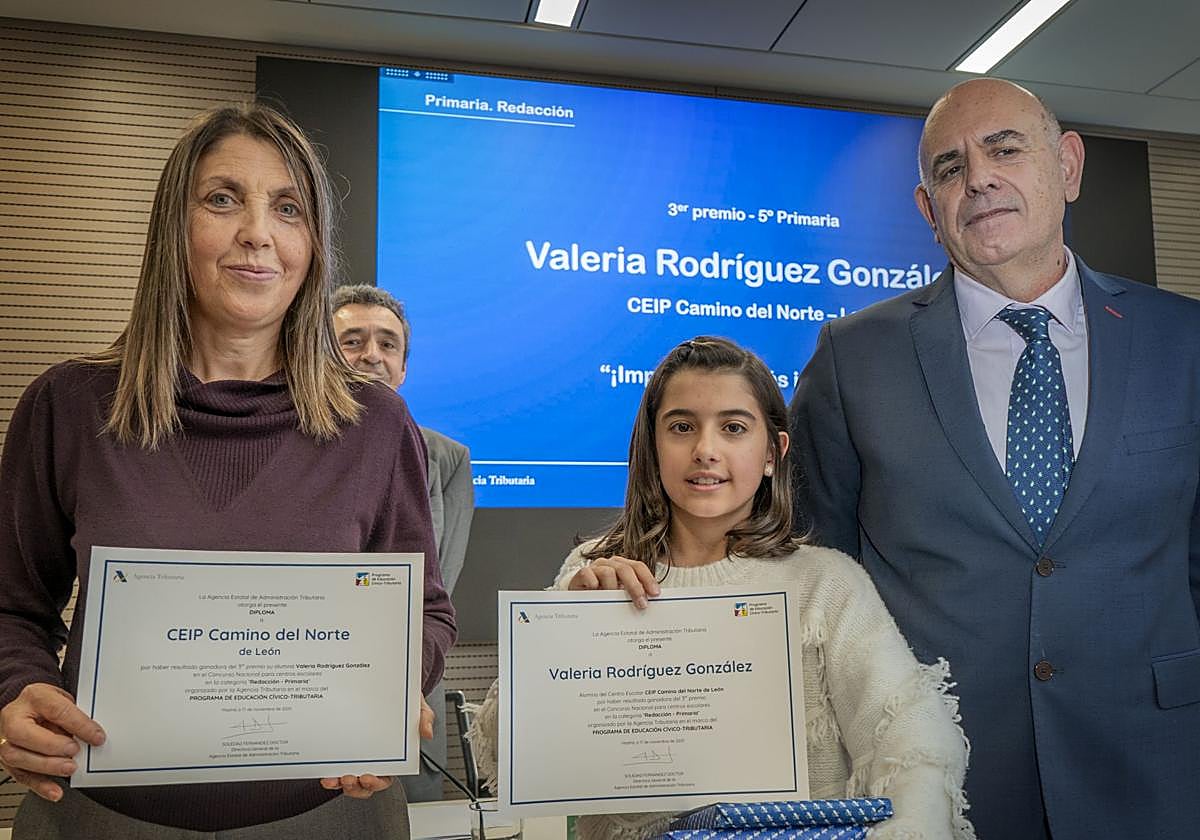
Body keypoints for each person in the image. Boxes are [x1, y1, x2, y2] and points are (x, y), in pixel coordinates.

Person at [0, 104, 456, 839]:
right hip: (104, 820)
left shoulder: (375, 424)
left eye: (288, 208)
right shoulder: (70, 405)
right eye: (222, 199)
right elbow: (12, 608)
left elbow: (427, 613)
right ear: (171, 229)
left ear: (313, 244)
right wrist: (20, 690)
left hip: (335, 817)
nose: (258, 233)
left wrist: (397, 685)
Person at [790, 77, 1200, 839]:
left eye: (1005, 149)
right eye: (949, 168)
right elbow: (822, 580)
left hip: (1158, 772)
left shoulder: (1185, 342)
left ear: (1068, 168)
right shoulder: (853, 360)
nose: (978, 177)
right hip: (945, 785)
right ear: (929, 212)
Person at [469, 336, 974, 840]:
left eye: (733, 428)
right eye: (682, 427)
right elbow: (506, 754)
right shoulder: (595, 572)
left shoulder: (826, 583)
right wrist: (563, 629)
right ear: (652, 445)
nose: (705, 451)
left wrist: (912, 824)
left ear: (774, 452)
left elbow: (913, 736)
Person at [333, 283, 475, 801]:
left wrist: (397, 679)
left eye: (388, 344)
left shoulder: (448, 458)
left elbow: (438, 585)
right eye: (352, 341)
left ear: (404, 366)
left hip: (411, 687)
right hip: (302, 683)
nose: (372, 355)